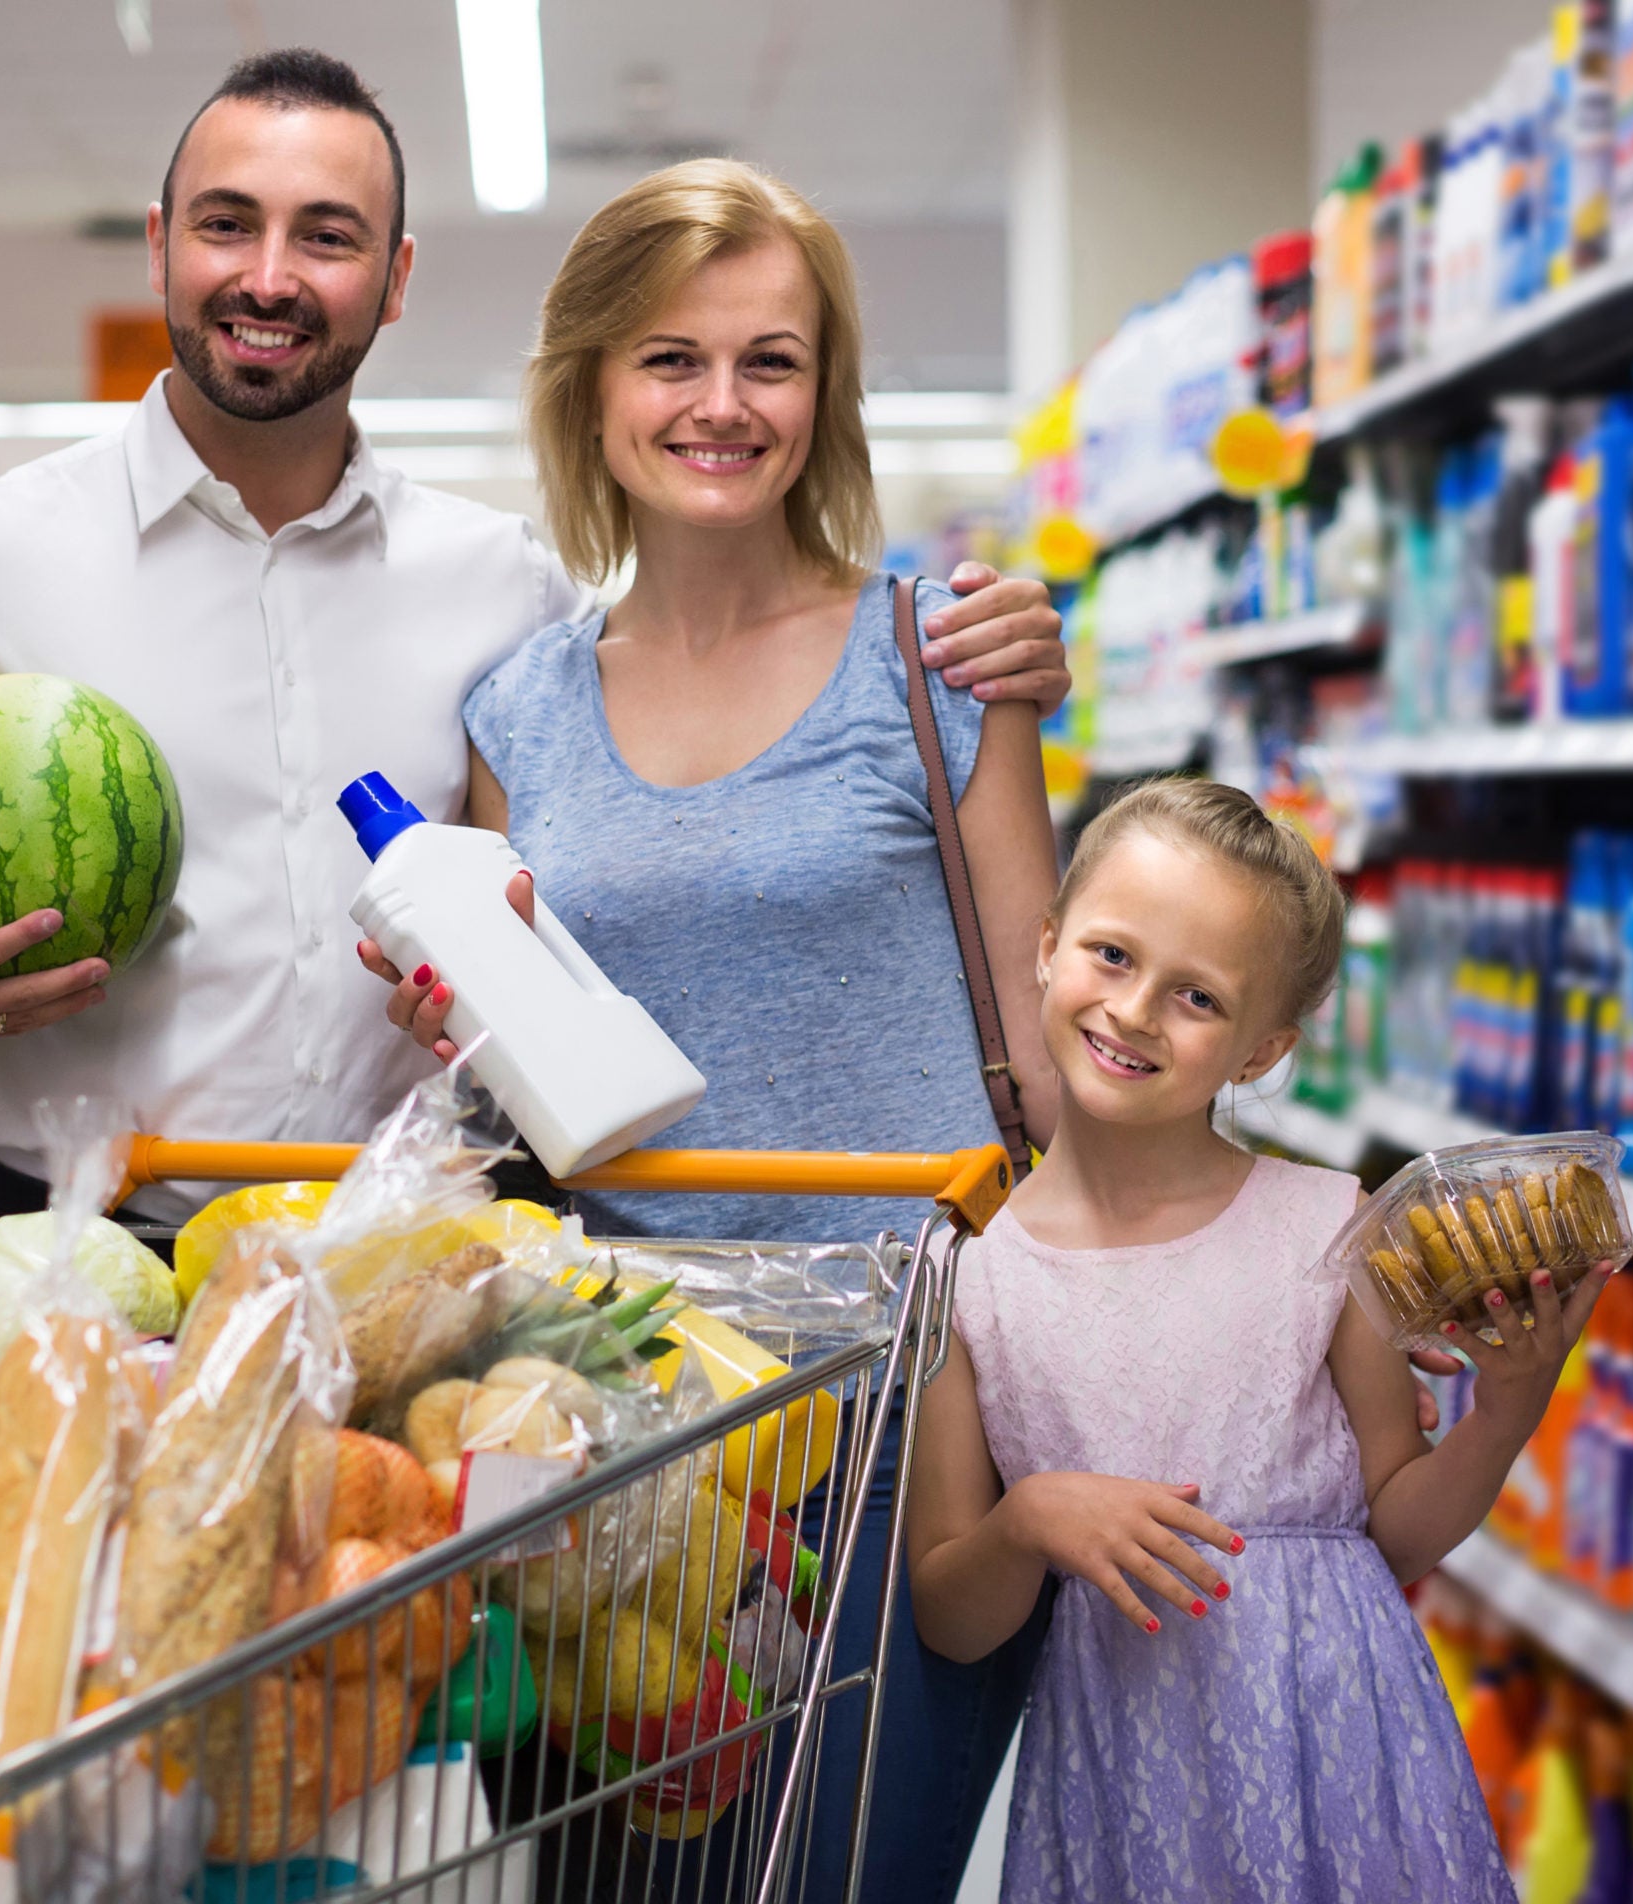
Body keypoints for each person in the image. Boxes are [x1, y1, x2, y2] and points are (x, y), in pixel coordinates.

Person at [0, 50, 1065, 1225]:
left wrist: (978, 653)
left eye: (327, 237)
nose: (270, 276)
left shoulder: (504, 595)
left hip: (410, 1244)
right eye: (229, 224)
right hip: (83, 1239)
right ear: (162, 243)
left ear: (393, 279)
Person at [359, 160, 1059, 1904]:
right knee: (610, 1884)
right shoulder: (517, 707)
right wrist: (457, 1013)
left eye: (774, 359)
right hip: (622, 1416)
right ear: (591, 387)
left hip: (916, 1403)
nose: (723, 404)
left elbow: (1054, 1044)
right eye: (671, 356)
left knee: (845, 1873)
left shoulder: (935, 656)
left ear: (823, 397)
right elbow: (534, 1077)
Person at [908, 779, 1608, 1901]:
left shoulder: (1326, 1226)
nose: (1135, 1011)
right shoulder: (971, 1280)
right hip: (1128, 1773)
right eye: (1112, 954)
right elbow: (950, 1614)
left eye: (1196, 995)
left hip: (1344, 1746)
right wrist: (1031, 1518)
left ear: (1257, 1049)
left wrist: (1511, 1408)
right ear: (1044, 946)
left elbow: (1398, 1527)